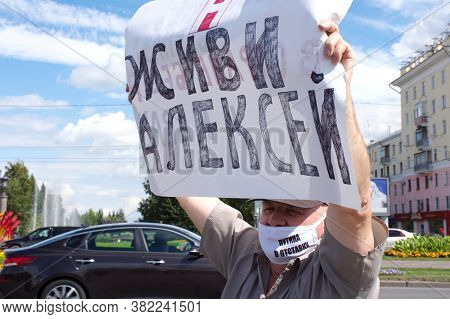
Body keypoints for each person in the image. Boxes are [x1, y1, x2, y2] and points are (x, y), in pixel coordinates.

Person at [128, 20, 388, 298]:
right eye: (269, 208)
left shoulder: (341, 274)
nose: (275, 220)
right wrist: (152, 104)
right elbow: (181, 182)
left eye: (292, 211)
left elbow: (356, 206)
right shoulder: (244, 251)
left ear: (328, 215)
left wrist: (337, 86)